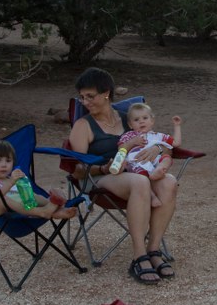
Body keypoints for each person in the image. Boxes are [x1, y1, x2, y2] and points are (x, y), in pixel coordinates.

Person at [68, 67, 178, 284]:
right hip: (98, 178)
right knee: (139, 182)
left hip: (136, 171)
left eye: (90, 96)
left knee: (170, 182)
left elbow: (162, 142)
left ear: (106, 93)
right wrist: (103, 168)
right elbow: (76, 169)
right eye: (82, 97)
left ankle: (154, 250)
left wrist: (159, 150)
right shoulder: (83, 126)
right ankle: (139, 256)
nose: (85, 102)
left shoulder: (130, 118)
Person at [0, 139, 77, 219]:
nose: (4, 165)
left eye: (8, 161)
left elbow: (26, 198)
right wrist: (11, 182)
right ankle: (43, 211)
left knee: (34, 195)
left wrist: (24, 185)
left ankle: (55, 208)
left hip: (19, 207)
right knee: (3, 199)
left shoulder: (13, 178)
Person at [116, 103, 182, 207]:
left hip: (155, 162)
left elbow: (176, 143)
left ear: (152, 121)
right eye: (136, 120)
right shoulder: (129, 136)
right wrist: (133, 142)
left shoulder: (158, 136)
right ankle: (152, 196)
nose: (141, 121)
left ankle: (159, 170)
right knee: (140, 174)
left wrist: (177, 126)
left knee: (167, 158)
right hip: (138, 162)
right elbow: (121, 149)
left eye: (145, 118)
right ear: (130, 124)